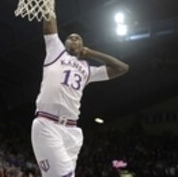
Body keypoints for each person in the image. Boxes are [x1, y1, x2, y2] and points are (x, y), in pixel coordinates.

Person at [31, 16, 129, 177]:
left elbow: (122, 68)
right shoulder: (56, 51)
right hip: (48, 124)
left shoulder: (88, 70)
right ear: (65, 43)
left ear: (82, 46)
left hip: (72, 131)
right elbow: (49, 25)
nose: (73, 39)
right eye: (70, 38)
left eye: (77, 38)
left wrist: (91, 53)